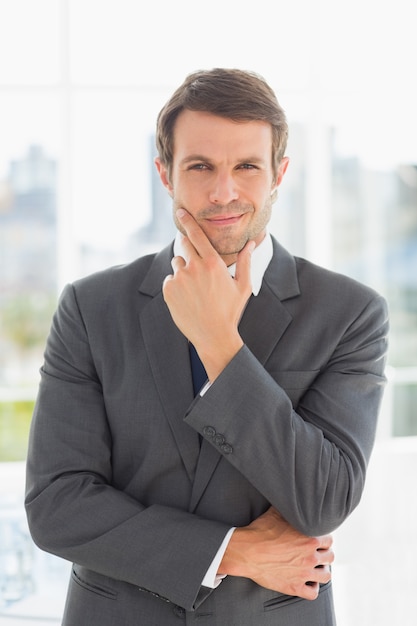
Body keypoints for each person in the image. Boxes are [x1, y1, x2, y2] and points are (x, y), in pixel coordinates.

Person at [25, 68, 389, 625]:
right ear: (165, 174)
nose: (224, 192)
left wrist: (221, 345)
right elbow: (57, 506)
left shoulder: (348, 314)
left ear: (279, 174)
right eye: (201, 166)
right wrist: (230, 551)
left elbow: (323, 499)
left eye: (246, 166)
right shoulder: (91, 308)